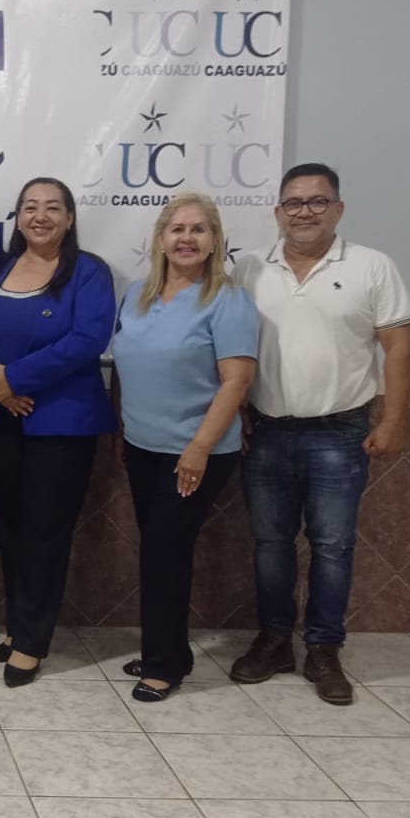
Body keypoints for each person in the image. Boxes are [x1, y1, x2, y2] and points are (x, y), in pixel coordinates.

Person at [229, 163, 410, 705]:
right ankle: (273, 641)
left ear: (338, 208)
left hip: (340, 432)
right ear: (278, 211)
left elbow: (398, 348)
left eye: (317, 201)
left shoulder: (371, 266)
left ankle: (324, 649)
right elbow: (230, 347)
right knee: (270, 544)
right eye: (293, 203)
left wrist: (393, 419)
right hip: (266, 430)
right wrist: (237, 409)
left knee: (333, 546)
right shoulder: (249, 269)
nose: (304, 212)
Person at [111, 191, 258, 702]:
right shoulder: (138, 294)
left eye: (198, 229)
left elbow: (236, 381)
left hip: (197, 452)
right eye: (177, 229)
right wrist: (123, 430)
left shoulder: (228, 299)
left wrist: (197, 448)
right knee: (158, 551)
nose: (187, 238)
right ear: (160, 239)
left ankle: (165, 665)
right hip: (142, 445)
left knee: (165, 551)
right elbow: (124, 366)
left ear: (215, 240)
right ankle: (164, 648)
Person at [0, 178, 117, 688]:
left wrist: (17, 378)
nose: (40, 216)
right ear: (17, 217)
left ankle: (33, 641)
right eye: (30, 206)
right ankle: (17, 626)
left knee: (44, 532)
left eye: (53, 207)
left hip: (62, 423)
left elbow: (88, 339)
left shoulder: (89, 272)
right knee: (8, 526)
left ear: (70, 218)